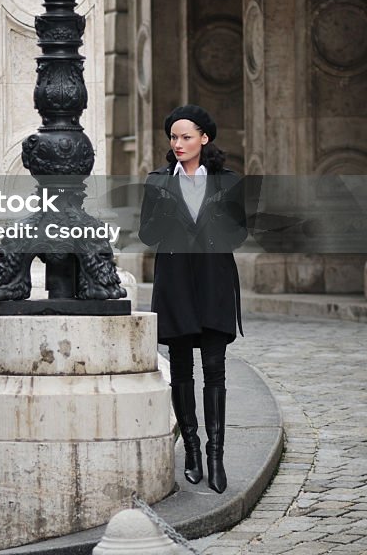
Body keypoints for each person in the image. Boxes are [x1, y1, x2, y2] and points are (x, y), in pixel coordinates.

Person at [138, 104, 247, 494]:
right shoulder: (157, 181)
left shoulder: (228, 181)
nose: (178, 143)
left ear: (204, 138)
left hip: (214, 281)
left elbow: (238, 236)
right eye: (173, 137)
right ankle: (192, 453)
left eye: (186, 136)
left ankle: (216, 457)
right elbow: (148, 236)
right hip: (176, 283)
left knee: (214, 370)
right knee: (181, 369)